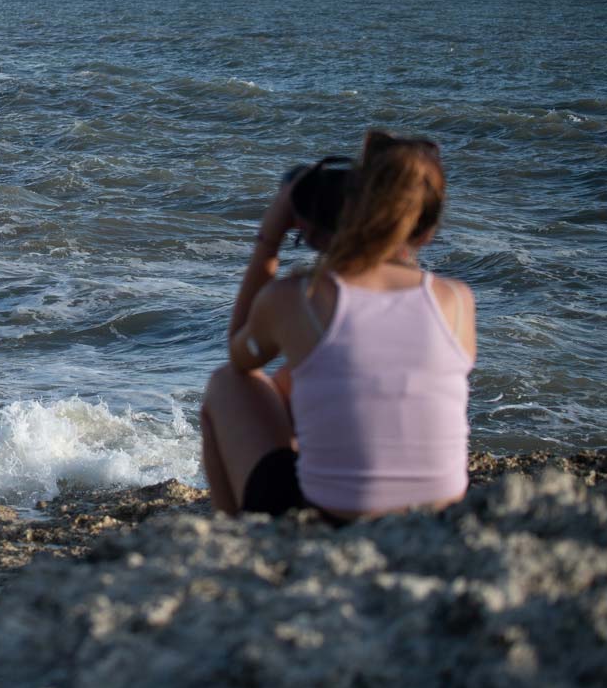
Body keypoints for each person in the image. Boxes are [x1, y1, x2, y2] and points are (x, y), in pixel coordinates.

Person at [199, 130, 476, 520]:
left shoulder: (298, 298)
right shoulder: (456, 301)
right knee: (303, 378)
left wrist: (271, 237)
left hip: (332, 518)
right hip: (438, 517)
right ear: (426, 232)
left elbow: (241, 356)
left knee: (229, 382)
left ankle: (238, 540)